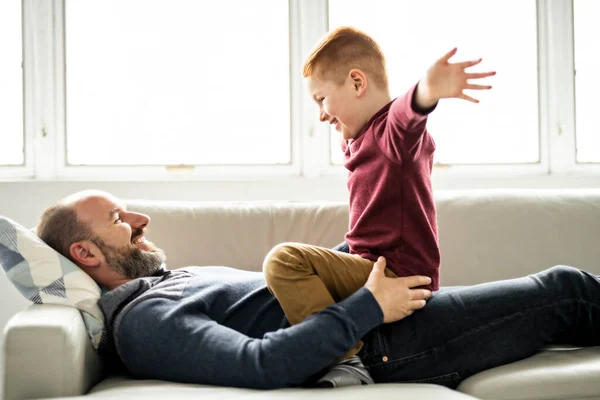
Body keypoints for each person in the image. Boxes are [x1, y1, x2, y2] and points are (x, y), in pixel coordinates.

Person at [36, 190, 600, 390]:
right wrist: (368, 305)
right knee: (565, 291)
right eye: (116, 216)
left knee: (564, 299)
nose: (139, 216)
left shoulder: (166, 284)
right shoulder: (143, 322)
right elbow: (259, 364)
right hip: (386, 345)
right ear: (84, 254)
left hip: (382, 319)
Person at [263, 26, 495, 385]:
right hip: (370, 265)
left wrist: (427, 89)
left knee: (283, 261)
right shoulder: (361, 139)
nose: (321, 115)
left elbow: (408, 115)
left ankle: (346, 361)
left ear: (357, 83)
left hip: (395, 274)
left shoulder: (392, 135)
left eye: (321, 99)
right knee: (318, 262)